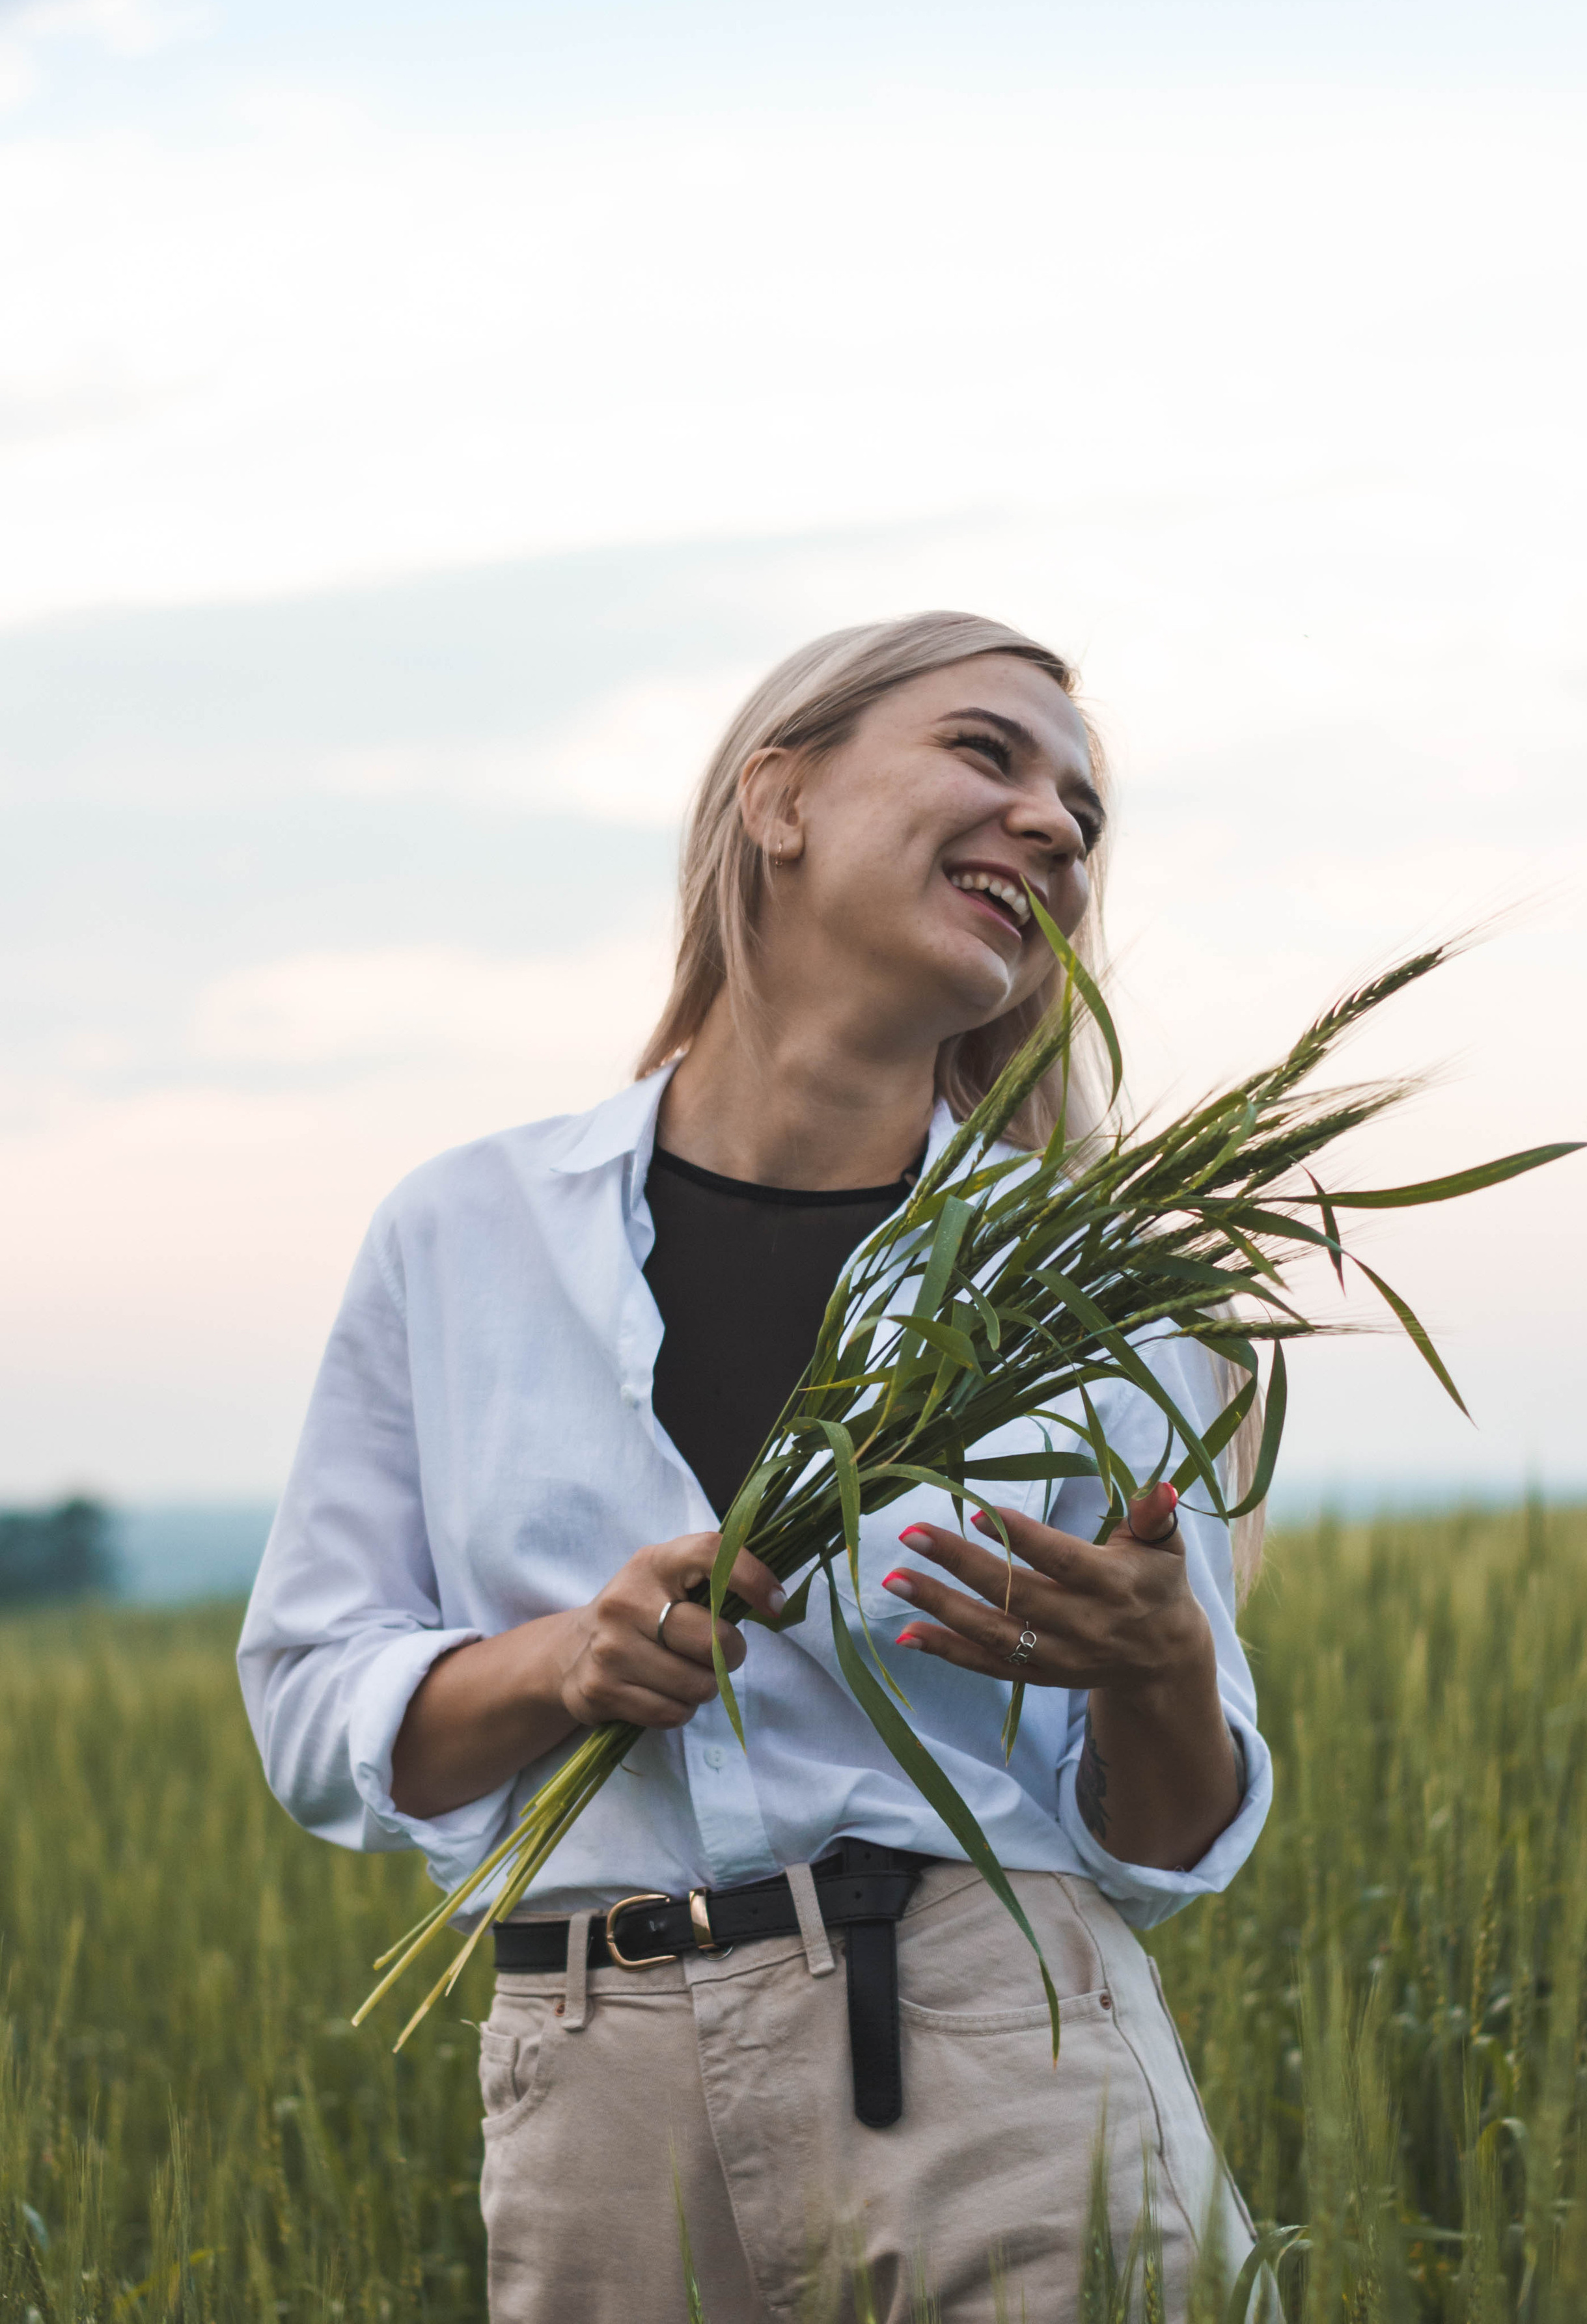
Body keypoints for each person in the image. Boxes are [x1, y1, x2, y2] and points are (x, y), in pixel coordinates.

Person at [238, 611, 1274, 2323]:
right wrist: (561, 1664)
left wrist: (1161, 1666)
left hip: (1001, 2056)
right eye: (988, 753)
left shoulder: (1091, 1286)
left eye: (1083, 814)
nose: (1054, 826)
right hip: (600, 2099)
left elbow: (1164, 1841)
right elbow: (310, 1705)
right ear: (779, 800)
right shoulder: (463, 1234)